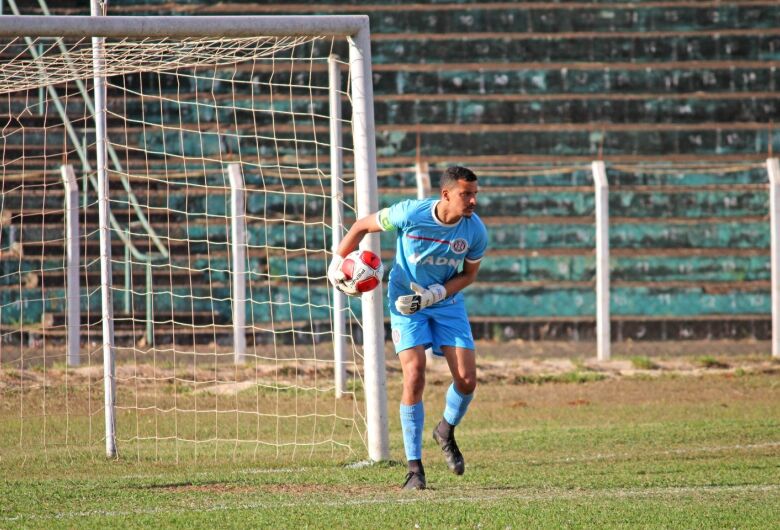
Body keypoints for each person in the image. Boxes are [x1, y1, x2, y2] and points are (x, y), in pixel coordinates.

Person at [328, 166, 487, 490]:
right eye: (465, 194)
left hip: (445, 302)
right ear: (445, 195)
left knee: (467, 381)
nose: (472, 201)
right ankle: (414, 468)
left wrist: (438, 293)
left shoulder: (475, 231)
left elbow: (469, 275)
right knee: (414, 374)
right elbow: (361, 226)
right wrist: (337, 261)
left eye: (474, 194)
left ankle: (445, 429)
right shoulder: (410, 213)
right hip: (406, 303)